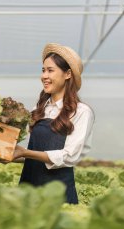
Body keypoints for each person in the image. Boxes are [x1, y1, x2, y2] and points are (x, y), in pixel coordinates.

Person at [12, 43, 95, 204]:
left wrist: (25, 153)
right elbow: (33, 153)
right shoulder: (40, 107)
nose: (44, 76)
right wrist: (8, 155)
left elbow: (68, 157)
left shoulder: (81, 112)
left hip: (59, 195)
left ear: (68, 74)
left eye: (50, 70)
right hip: (29, 189)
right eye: (43, 70)